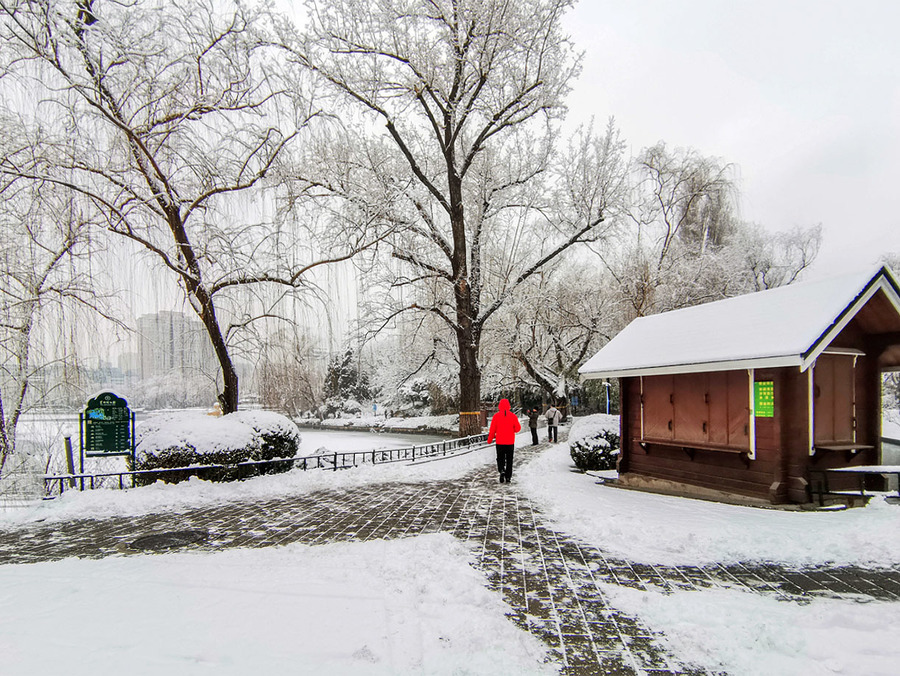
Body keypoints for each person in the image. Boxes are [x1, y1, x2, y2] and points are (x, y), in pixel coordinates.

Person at [487, 398, 521, 483]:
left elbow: (492, 430)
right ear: (509, 406)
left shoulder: (496, 416)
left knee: (500, 458)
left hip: (500, 442)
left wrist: (490, 439)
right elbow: (518, 428)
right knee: (509, 459)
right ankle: (508, 476)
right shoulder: (513, 416)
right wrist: (512, 430)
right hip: (510, 442)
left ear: (500, 406)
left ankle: (501, 470)